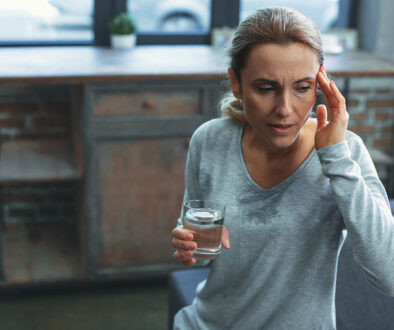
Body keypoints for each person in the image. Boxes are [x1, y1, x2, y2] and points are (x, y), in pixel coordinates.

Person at [171, 6, 394, 330]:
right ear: (236, 83)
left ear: (320, 83)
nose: (285, 111)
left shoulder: (345, 154)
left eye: (302, 88)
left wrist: (335, 156)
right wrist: (189, 246)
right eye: (266, 88)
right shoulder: (210, 141)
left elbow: (389, 275)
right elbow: (203, 249)